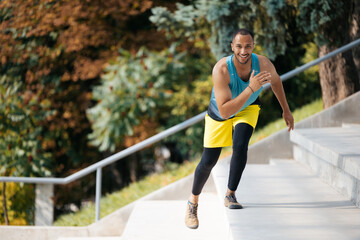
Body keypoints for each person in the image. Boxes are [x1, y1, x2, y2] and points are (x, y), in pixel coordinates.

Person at [185, 29, 294, 229]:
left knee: (241, 144)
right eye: (239, 46)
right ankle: (193, 203)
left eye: (248, 46)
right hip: (220, 113)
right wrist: (251, 88)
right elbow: (226, 111)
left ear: (253, 46)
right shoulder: (221, 70)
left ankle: (231, 194)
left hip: (248, 108)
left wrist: (286, 110)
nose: (243, 51)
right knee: (208, 161)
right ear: (232, 47)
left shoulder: (262, 63)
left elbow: (276, 81)